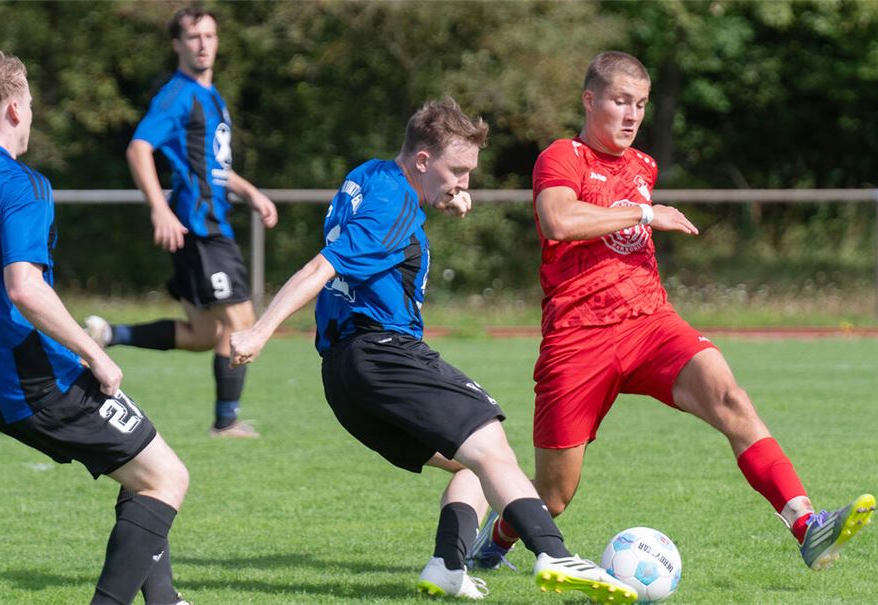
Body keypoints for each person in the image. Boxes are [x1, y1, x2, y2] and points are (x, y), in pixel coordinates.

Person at [466, 51, 876, 573]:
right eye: (620, 101)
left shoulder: (643, 166)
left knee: (730, 397)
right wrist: (643, 212)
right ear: (590, 100)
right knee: (554, 494)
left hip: (650, 322)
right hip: (578, 339)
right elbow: (558, 221)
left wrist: (642, 210)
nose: (632, 115)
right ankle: (498, 537)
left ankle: (806, 525)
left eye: (640, 104)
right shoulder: (562, 156)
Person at [229, 98, 638, 603]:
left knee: (472, 462)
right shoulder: (394, 205)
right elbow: (321, 267)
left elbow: (384, 235)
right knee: (492, 445)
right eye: (458, 171)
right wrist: (258, 331)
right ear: (422, 161)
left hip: (342, 376)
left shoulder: (371, 175)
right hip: (383, 352)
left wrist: (441, 199)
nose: (465, 182)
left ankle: (447, 565)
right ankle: (553, 554)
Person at [0, 50, 190, 605]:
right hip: (37, 374)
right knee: (167, 478)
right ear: (14, 110)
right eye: (30, 103)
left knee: (145, 469)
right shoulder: (20, 184)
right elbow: (25, 287)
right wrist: (94, 354)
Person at [84, 7, 278, 438]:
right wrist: (160, 208)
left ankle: (109, 333)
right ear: (178, 45)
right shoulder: (178, 95)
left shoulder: (212, 98)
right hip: (201, 229)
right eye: (194, 37)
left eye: (210, 35)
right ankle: (225, 422)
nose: (203, 44)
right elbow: (139, 149)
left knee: (203, 334)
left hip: (212, 227)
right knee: (242, 324)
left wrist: (250, 192)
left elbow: (213, 167)